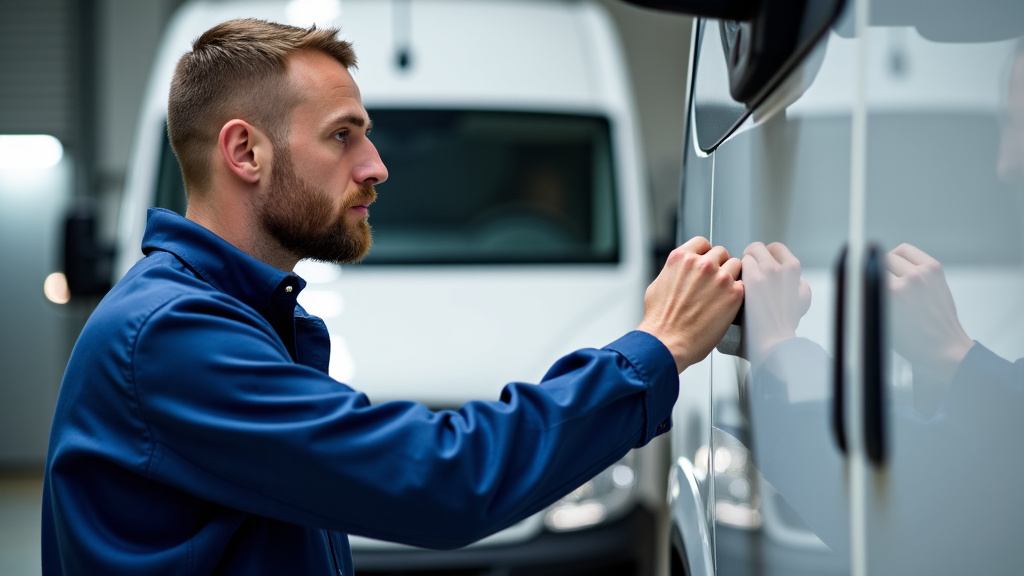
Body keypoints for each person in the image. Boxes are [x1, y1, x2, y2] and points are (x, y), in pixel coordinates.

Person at [41, 18, 744, 576]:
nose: (375, 167)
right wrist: (656, 349)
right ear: (245, 153)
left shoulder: (233, 317)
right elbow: (445, 481)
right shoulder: (172, 338)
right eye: (342, 136)